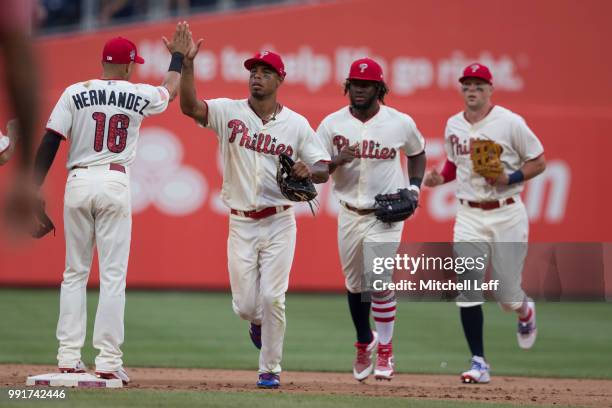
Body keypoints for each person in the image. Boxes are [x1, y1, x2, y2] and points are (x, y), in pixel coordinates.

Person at [31, 22, 192, 385]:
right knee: (113, 276)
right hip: (114, 180)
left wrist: (33, 185)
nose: (133, 68)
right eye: (132, 63)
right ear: (126, 66)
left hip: (78, 179)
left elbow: (51, 139)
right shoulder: (137, 93)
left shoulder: (75, 92)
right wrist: (178, 57)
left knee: (74, 273)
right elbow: (170, 90)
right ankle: (107, 360)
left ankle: (68, 358)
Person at [179, 43, 330, 388]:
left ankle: (270, 369)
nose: (257, 77)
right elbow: (190, 107)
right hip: (241, 221)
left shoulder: (296, 124)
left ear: (280, 79)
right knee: (247, 305)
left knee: (274, 297)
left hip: (280, 219)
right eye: (253, 72)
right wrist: (187, 66)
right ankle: (256, 322)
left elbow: (322, 166)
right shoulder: (228, 112)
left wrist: (312, 170)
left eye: (265, 72)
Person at [423, 63, 546, 384]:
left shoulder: (509, 123)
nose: (472, 90)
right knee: (469, 288)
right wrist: (439, 178)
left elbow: (539, 160)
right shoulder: (454, 125)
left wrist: (511, 177)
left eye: (479, 85)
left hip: (506, 211)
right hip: (468, 214)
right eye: (467, 85)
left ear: (491, 89)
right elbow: (454, 162)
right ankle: (478, 361)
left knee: (507, 295)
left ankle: (525, 310)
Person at [317, 58, 426, 381]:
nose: (359, 89)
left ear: (380, 88)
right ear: (347, 87)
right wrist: (337, 160)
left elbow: (417, 152)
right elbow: (315, 172)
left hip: (386, 214)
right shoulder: (331, 124)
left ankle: (386, 351)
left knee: (378, 281)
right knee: (354, 285)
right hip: (350, 213)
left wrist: (414, 188)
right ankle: (365, 341)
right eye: (354, 84)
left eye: (366, 84)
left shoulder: (399, 122)